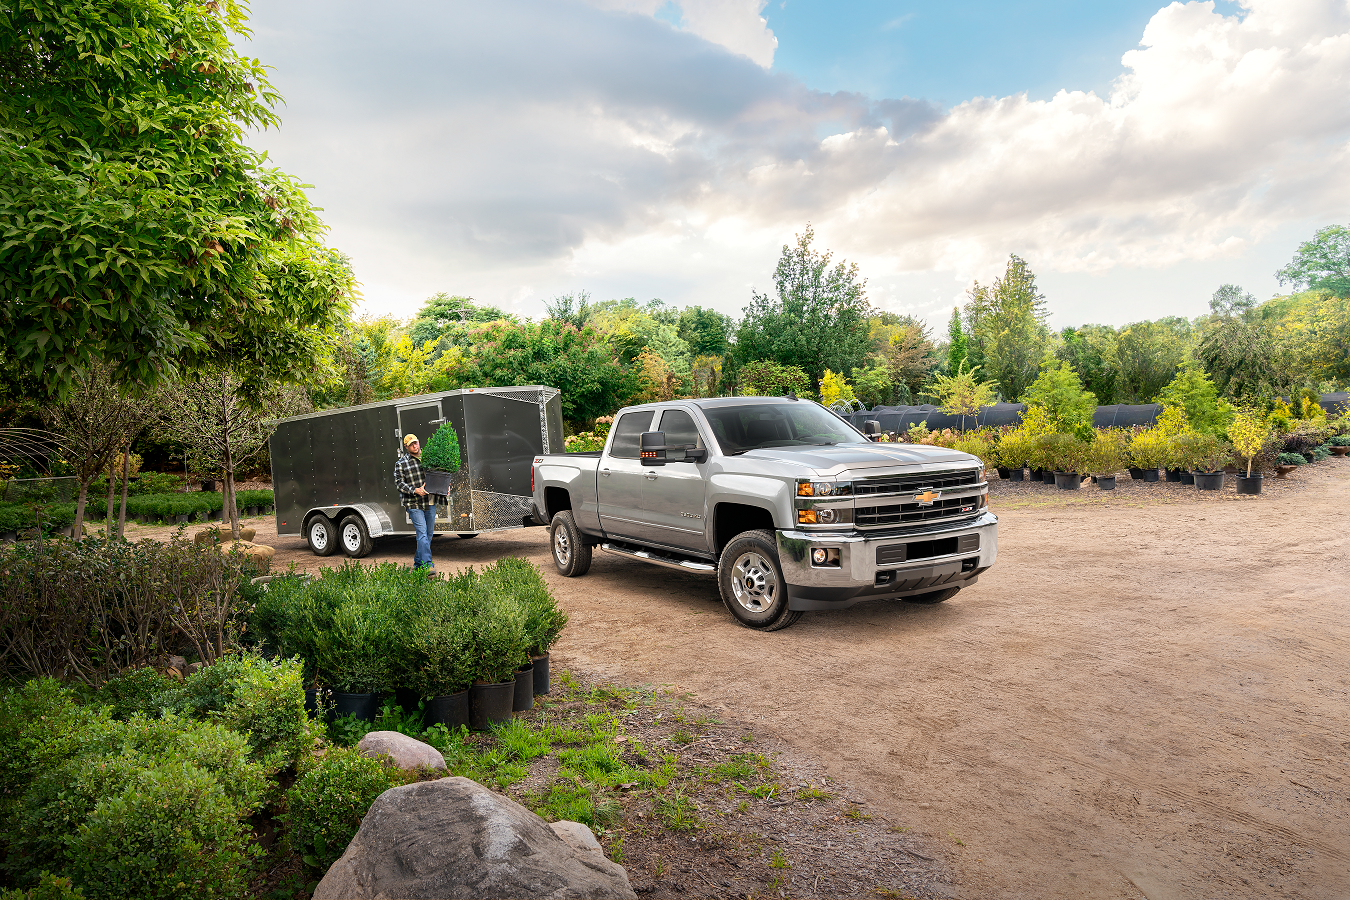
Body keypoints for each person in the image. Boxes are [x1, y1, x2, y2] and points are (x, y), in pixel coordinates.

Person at [393, 433, 443, 571]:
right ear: (406, 447)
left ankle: (418, 564)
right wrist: (415, 490)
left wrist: (445, 488)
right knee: (422, 534)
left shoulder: (429, 458)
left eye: (416, 442)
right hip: (413, 503)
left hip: (430, 501)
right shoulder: (401, 463)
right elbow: (399, 484)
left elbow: (439, 475)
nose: (415, 446)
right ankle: (427, 566)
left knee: (428, 535)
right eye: (411, 444)